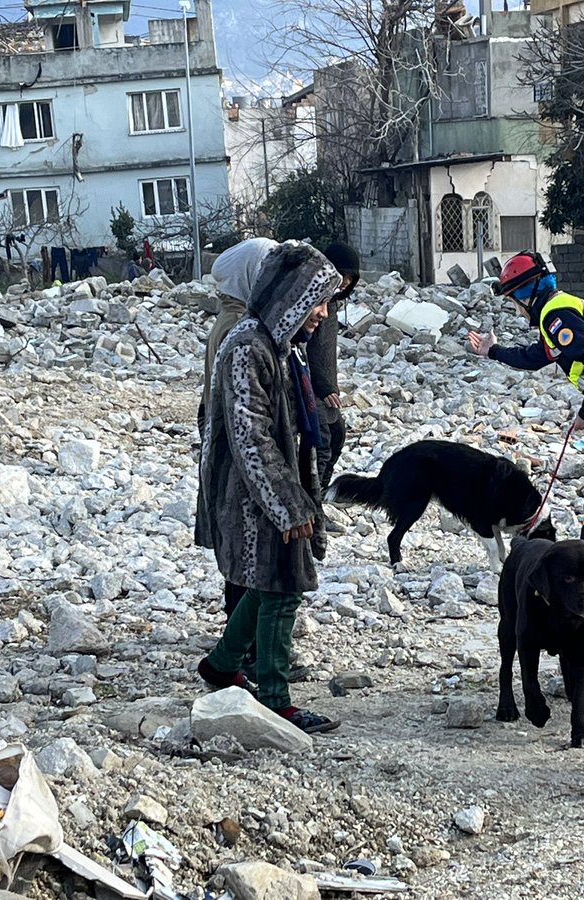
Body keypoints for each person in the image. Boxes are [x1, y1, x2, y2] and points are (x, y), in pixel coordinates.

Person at [195, 241, 342, 735]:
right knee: (282, 585)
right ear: (292, 298)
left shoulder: (278, 347)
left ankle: (221, 664)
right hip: (250, 495)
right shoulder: (246, 347)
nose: (323, 313)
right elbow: (251, 436)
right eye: (318, 300)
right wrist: (288, 504)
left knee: (265, 582)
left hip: (271, 490)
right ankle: (276, 699)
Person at [467, 251, 584, 553]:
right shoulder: (562, 311)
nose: (516, 308)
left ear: (527, 292)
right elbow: (536, 357)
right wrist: (493, 351)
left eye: (513, 299)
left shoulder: (556, 316)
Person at [197, 238, 279, 619]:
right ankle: (240, 646)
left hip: (230, 439)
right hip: (235, 445)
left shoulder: (236, 318)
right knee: (245, 547)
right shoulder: (237, 327)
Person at [309, 242, 361, 491]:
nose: (345, 283)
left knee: (337, 436)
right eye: (343, 276)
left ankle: (317, 499)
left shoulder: (332, 304)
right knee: (321, 445)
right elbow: (305, 350)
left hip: (326, 389)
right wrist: (323, 386)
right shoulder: (310, 304)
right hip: (311, 388)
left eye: (350, 279)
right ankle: (308, 510)